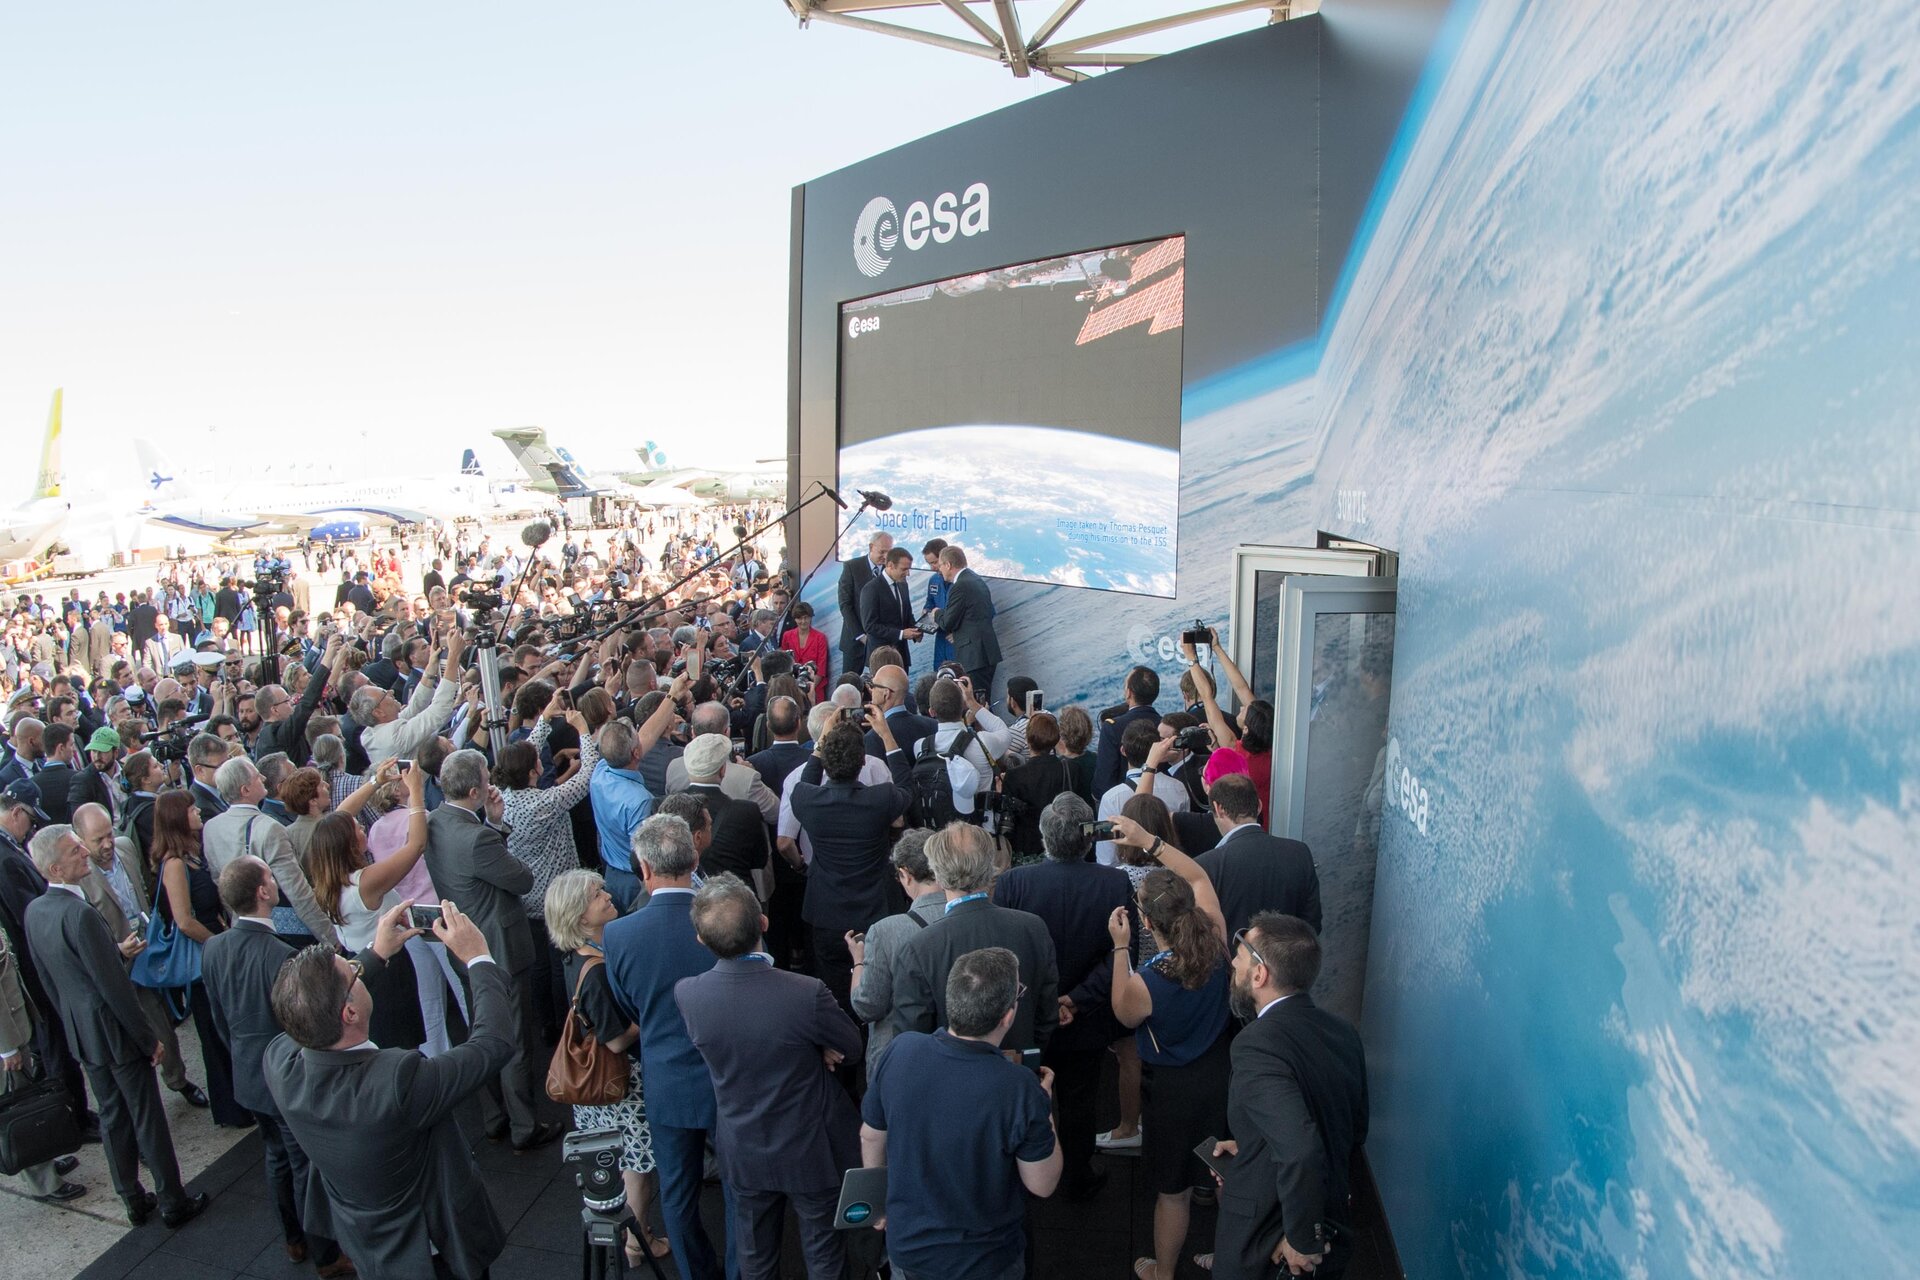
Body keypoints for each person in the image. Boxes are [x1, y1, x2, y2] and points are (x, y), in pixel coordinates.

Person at [265, 900, 516, 1280]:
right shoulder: (397, 1080)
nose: (356, 968)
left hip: (367, 1240)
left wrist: (376, 953)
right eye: (351, 970)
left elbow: (319, 1007)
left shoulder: (279, 1061)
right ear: (349, 1013)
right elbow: (492, 1044)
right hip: (432, 1243)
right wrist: (478, 958)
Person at [677, 874, 863, 1280]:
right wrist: (817, 1048)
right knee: (825, 1256)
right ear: (763, 922)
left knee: (755, 1258)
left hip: (743, 1150)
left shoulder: (689, 994)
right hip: (811, 1150)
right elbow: (851, 1048)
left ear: (702, 942)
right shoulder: (804, 992)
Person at [24, 824, 209, 1229]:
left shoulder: (35, 912)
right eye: (75, 851)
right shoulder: (80, 914)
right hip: (116, 1034)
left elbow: (48, 983)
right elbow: (114, 989)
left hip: (83, 1035)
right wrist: (149, 1040)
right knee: (147, 1118)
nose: (84, 854)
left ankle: (131, 1197)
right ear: (55, 868)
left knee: (112, 1117)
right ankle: (172, 1200)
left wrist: (75, 1026)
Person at [860, 946, 1062, 1280]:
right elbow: (1042, 1184)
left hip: (908, 1254)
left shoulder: (901, 1051)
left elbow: (870, 1135)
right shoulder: (1021, 1088)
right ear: (1007, 1016)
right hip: (987, 1262)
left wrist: (878, 1203)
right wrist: (1046, 1108)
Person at [601, 814, 737, 1280]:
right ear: (695, 858)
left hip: (667, 1083)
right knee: (742, 1191)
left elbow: (628, 1004)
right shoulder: (727, 918)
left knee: (677, 1194)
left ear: (643, 868)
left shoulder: (619, 935)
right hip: (729, 1078)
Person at [202, 856, 350, 1276]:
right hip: (283, 1076)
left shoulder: (213, 947)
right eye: (270, 876)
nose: (275, 880)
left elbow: (217, 1018)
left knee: (276, 1159)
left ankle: (293, 1240)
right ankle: (326, 1255)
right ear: (264, 893)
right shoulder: (281, 956)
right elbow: (299, 1025)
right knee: (304, 1164)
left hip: (247, 1076)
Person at [1104, 812, 1232, 1280]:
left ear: (1145, 919)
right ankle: (1232, 1252)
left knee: (1173, 1190)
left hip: (1175, 1092)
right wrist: (1150, 841)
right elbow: (1196, 873)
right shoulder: (1216, 938)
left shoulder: (1148, 982)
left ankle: (1163, 1270)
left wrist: (1120, 946)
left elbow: (1122, 1010)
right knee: (1226, 1175)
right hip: (1221, 1075)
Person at [1210, 913, 1370, 1280]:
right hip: (1334, 1231)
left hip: (1268, 1245)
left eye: (1242, 952)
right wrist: (1253, 1143)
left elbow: (1300, 1148)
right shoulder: (1344, 1033)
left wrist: (1302, 1238)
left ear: (1259, 974)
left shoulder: (1256, 1044)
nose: (1233, 959)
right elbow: (1349, 1131)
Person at [992, 793, 1136, 1199]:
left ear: (1043, 836)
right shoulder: (1114, 883)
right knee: (1080, 1101)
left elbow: (1002, 954)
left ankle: (1024, 1173)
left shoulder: (1013, 883)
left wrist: (1048, 1001)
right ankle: (1077, 1174)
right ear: (1089, 838)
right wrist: (1077, 1000)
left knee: (1022, 1097)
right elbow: (1122, 955)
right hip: (1086, 1021)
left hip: (1026, 1019)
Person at [424, 748, 561, 1152]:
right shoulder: (477, 838)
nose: (492, 783)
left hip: (462, 942)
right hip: (499, 946)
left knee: (478, 1030)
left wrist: (495, 824)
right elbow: (521, 879)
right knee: (514, 1037)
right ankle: (524, 1124)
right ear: (474, 791)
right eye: (487, 778)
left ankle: (494, 1116)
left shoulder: (435, 823)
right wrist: (496, 829)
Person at [543, 870, 668, 1267]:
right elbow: (615, 1039)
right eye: (597, 894)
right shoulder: (595, 970)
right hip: (621, 1087)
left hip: (601, 1089)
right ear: (580, 917)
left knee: (618, 1162)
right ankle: (637, 1240)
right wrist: (655, 1011)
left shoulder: (577, 956)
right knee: (637, 1167)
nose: (607, 895)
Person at [71, 802, 204, 1106]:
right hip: (115, 967)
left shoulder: (126, 848)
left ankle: (178, 1080)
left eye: (108, 835)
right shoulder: (78, 876)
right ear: (80, 839)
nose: (107, 845)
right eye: (97, 840)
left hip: (148, 956)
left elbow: (146, 889)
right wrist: (116, 949)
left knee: (164, 1030)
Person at [892, 822, 1059, 1052]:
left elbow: (911, 1038)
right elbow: (1046, 1016)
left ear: (938, 875)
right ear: (990, 867)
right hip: (1018, 1072)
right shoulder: (1032, 928)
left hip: (950, 1080)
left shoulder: (920, 949)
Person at [788, 718, 912, 1009]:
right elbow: (907, 785)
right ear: (862, 762)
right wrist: (886, 735)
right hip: (877, 912)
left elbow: (806, 778)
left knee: (834, 995)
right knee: (884, 990)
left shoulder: (807, 798)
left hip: (827, 914)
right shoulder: (881, 798)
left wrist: (821, 743)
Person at [147, 789, 251, 1126]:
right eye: (191, 809)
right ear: (178, 818)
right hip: (203, 959)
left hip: (214, 946)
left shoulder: (192, 854)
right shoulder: (175, 864)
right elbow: (184, 921)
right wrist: (221, 946)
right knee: (214, 1030)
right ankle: (232, 1108)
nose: (198, 813)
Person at [203, 755, 340, 946]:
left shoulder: (210, 827)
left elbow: (221, 883)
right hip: (281, 934)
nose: (264, 779)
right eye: (257, 776)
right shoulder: (269, 828)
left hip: (243, 929)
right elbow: (297, 890)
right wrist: (331, 938)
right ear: (246, 790)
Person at [0, 923, 86, 1203]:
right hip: (6, 1039)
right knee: (20, 1109)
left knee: (23, 1100)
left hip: (15, 1028)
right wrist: (6, 1047)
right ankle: (45, 1183)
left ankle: (42, 1160)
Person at [1196, 774, 1321, 936]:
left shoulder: (1206, 865)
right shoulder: (1299, 852)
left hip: (1234, 961)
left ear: (1218, 808)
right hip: (1286, 959)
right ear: (1259, 806)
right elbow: (1312, 925)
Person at [1184, 631, 1275, 826]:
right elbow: (1242, 688)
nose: (1242, 708)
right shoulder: (1270, 742)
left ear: (1247, 730)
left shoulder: (1237, 751)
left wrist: (1191, 659)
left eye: (1244, 712)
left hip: (1256, 824)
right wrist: (1217, 648)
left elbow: (1206, 697)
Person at [999, 712, 1078, 862]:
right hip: (1062, 844)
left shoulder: (1014, 776)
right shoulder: (1070, 769)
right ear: (1055, 740)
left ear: (1028, 741)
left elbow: (1009, 820)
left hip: (1026, 851)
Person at [933, 545, 1001, 700]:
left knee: (977, 706)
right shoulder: (976, 579)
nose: (939, 570)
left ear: (948, 565)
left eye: (940, 565)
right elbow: (981, 615)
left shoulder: (960, 586)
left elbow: (947, 622)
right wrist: (960, 634)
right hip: (985, 652)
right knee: (983, 703)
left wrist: (936, 613)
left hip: (974, 656)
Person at [1095, 665, 1163, 796]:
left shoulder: (1112, 727)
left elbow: (1104, 779)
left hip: (1121, 802)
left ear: (1129, 693)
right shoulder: (1163, 726)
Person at [858, 546, 925, 673]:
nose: (908, 574)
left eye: (909, 569)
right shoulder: (871, 589)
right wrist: (901, 634)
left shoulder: (903, 584)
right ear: (890, 565)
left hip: (901, 655)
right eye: (904, 569)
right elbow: (870, 626)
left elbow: (907, 615)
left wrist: (916, 631)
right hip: (881, 657)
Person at [837, 531, 893, 677]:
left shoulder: (891, 570)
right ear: (871, 547)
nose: (885, 556)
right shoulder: (852, 567)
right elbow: (845, 604)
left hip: (881, 642)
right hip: (854, 639)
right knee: (849, 684)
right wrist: (860, 635)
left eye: (889, 552)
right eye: (882, 552)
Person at [919, 538, 955, 669]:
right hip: (941, 638)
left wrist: (961, 635)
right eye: (929, 563)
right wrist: (926, 611)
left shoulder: (963, 582)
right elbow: (930, 602)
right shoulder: (934, 580)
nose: (932, 568)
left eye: (934, 563)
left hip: (958, 641)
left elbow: (977, 615)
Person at [778, 600, 828, 683]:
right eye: (800, 618)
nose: (803, 621)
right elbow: (785, 665)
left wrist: (809, 688)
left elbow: (821, 670)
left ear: (811, 617)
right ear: (795, 619)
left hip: (815, 685)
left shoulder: (820, 638)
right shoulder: (787, 636)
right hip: (792, 685)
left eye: (806, 617)